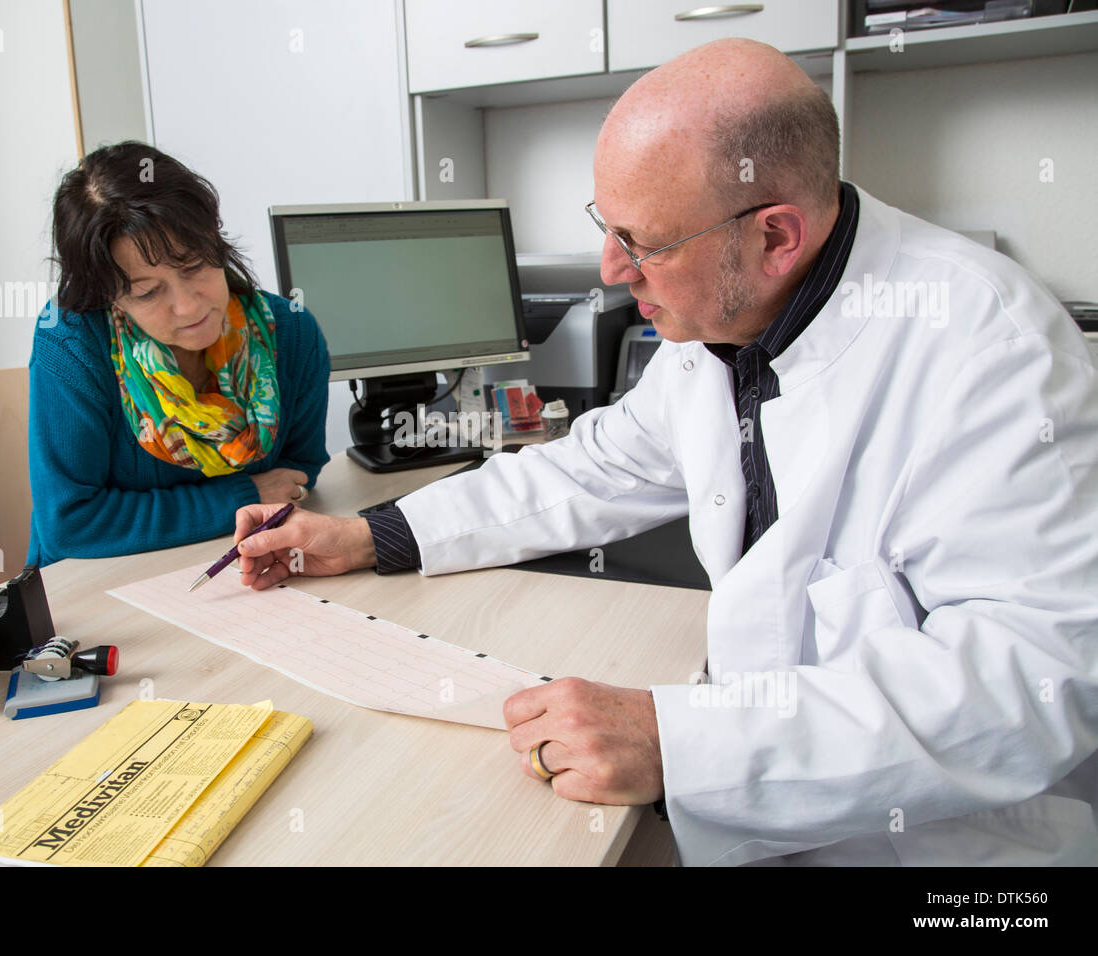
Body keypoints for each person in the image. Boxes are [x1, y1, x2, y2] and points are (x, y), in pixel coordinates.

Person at [229, 39, 1098, 866]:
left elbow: (1035, 684)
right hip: (771, 824)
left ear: (774, 236)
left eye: (641, 243)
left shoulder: (990, 346)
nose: (610, 270)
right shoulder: (720, 320)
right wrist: (370, 535)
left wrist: (681, 743)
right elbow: (595, 465)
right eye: (607, 228)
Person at [26, 142, 330, 566]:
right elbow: (71, 525)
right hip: (95, 588)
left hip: (237, 568)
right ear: (107, 296)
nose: (188, 306)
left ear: (215, 240)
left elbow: (298, 474)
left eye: (194, 267)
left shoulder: (291, 332)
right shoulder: (72, 342)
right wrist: (241, 497)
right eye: (148, 292)